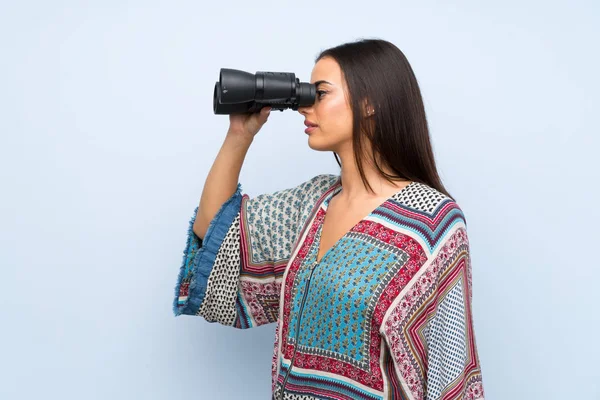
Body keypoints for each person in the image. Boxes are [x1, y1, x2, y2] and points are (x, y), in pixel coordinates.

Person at [173, 38, 485, 400]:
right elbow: (212, 230)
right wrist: (239, 134)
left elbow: (452, 370)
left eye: (320, 93)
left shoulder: (433, 223)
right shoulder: (311, 204)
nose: (307, 106)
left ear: (370, 103)